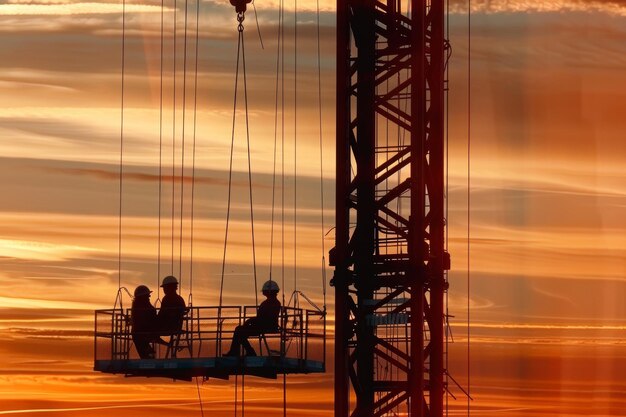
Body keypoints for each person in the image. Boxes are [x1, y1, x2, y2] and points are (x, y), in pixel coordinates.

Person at [224, 280, 282, 357]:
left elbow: (264, 318)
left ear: (269, 291)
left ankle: (241, 352)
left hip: (264, 327)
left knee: (239, 331)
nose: (263, 292)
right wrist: (251, 320)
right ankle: (241, 352)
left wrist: (251, 320)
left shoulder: (271, 303)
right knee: (240, 331)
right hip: (263, 325)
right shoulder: (273, 302)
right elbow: (262, 317)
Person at [131, 285, 158, 359]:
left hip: (140, 334)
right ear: (141, 297)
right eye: (147, 296)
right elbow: (149, 318)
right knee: (147, 355)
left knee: (147, 354)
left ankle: (149, 356)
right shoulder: (142, 308)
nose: (149, 297)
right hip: (141, 334)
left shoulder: (138, 306)